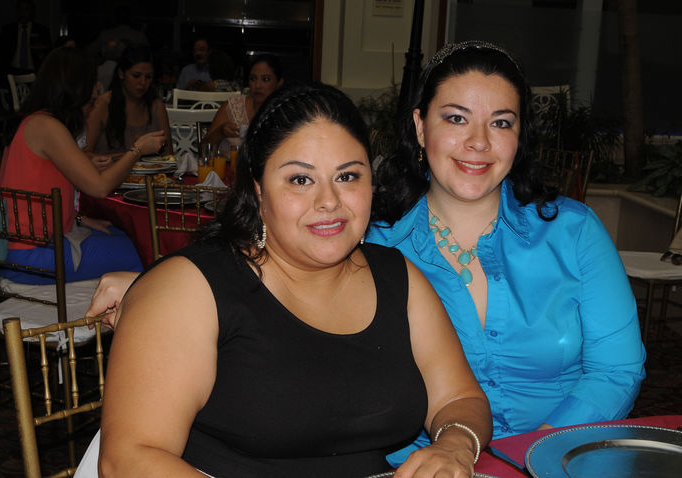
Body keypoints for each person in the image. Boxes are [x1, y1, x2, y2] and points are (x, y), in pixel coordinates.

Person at [86, 83, 491, 478]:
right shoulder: (189, 289)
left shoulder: (397, 278)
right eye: (300, 179)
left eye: (348, 176)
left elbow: (460, 397)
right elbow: (128, 460)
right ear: (259, 190)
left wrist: (455, 443)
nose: (329, 201)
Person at [365, 40, 646, 466]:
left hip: (562, 460)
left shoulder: (575, 232)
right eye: (456, 118)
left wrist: (536, 456)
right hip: (422, 467)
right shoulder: (374, 248)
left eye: (500, 123)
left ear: (519, 136)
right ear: (421, 127)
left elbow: (616, 371)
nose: (478, 142)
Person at [0, 46, 166, 285]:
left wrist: (80, 219)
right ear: (75, 87)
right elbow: (99, 188)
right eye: (92, 83)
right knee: (146, 253)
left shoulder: (38, 121)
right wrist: (137, 150)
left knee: (132, 238)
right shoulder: (46, 126)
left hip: (27, 246)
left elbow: (40, 185)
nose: (96, 90)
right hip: (32, 256)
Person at [85, 44, 172, 159]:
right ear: (121, 73)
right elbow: (85, 154)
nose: (143, 82)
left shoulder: (156, 106)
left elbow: (168, 155)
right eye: (136, 76)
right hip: (110, 170)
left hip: (153, 170)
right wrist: (134, 154)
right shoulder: (102, 104)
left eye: (148, 77)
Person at [202, 53, 284, 155]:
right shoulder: (234, 107)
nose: (258, 85)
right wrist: (220, 132)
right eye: (253, 78)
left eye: (265, 79)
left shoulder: (284, 114)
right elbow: (203, 150)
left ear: (279, 83)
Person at [0, 0, 51, 82]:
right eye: (20, 9)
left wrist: (41, 53)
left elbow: (48, 51)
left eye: (26, 9)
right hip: (12, 71)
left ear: (32, 12)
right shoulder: (8, 30)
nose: (22, 12)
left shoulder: (42, 30)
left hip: (34, 72)